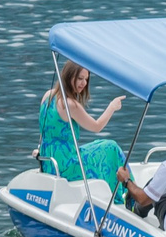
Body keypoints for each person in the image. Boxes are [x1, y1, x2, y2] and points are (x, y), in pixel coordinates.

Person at [40, 64, 127, 194]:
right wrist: (112, 107)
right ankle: (128, 193)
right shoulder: (70, 104)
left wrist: (39, 150)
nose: (84, 83)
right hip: (66, 165)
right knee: (111, 147)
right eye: (80, 78)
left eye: (86, 79)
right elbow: (96, 126)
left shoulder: (48, 95)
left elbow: (44, 130)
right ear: (69, 76)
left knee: (100, 145)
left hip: (48, 162)